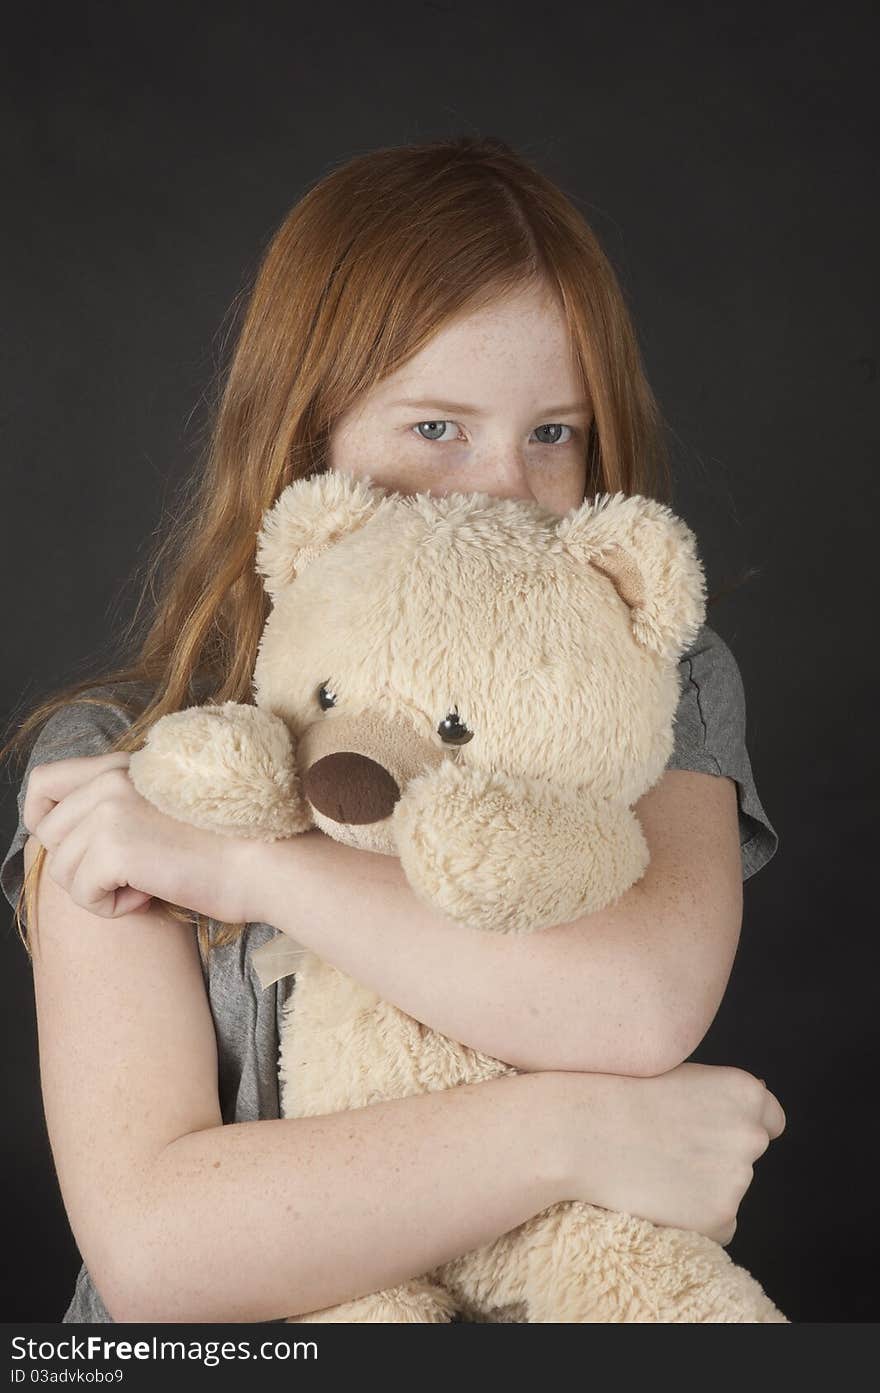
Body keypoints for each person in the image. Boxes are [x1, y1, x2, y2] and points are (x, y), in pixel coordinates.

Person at [0, 135, 785, 1324]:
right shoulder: (125, 765)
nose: (500, 492)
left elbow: (636, 1006)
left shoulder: (652, 688)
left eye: (552, 433)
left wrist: (238, 865)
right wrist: (574, 1129)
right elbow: (159, 1251)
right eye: (435, 430)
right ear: (306, 440)